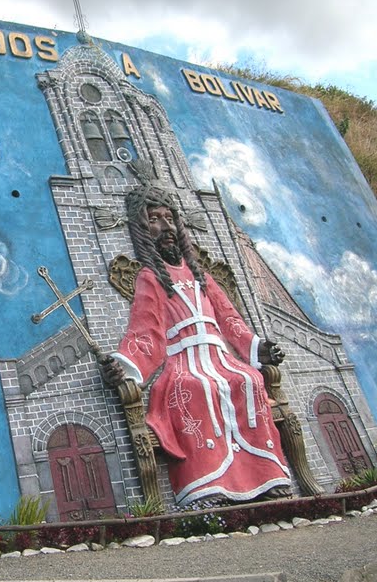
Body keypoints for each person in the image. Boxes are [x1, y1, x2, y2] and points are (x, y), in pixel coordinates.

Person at [99, 185, 291, 505]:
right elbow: (146, 331)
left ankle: (266, 476)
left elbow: (230, 318)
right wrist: (125, 364)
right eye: (155, 220)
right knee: (197, 388)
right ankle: (209, 484)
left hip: (220, 356)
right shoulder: (150, 277)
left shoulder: (201, 275)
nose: (166, 227)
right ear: (142, 229)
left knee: (247, 379)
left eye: (170, 219)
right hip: (183, 361)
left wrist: (258, 349)